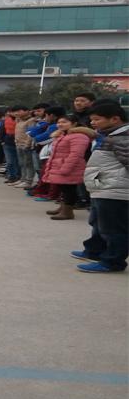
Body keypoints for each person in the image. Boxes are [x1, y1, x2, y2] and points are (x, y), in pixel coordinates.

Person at [73, 104, 128, 273]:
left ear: (115, 119)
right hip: (102, 187)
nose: (92, 123)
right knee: (98, 223)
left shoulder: (122, 138)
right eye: (91, 119)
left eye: (97, 119)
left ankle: (112, 261)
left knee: (113, 229)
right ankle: (95, 251)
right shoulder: (112, 135)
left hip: (114, 191)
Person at [42, 115, 95, 220]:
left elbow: (76, 154)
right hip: (60, 166)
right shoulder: (63, 134)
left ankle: (68, 212)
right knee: (63, 188)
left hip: (70, 167)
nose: (60, 124)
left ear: (74, 123)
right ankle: (63, 208)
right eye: (59, 122)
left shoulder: (79, 136)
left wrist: (66, 168)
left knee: (69, 189)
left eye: (64, 122)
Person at [2, 107, 21, 183]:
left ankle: (18, 177)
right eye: (10, 112)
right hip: (8, 142)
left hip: (19, 142)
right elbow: (2, 130)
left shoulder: (22, 120)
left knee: (18, 161)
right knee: (10, 162)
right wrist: (2, 140)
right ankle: (12, 177)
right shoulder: (6, 120)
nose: (13, 113)